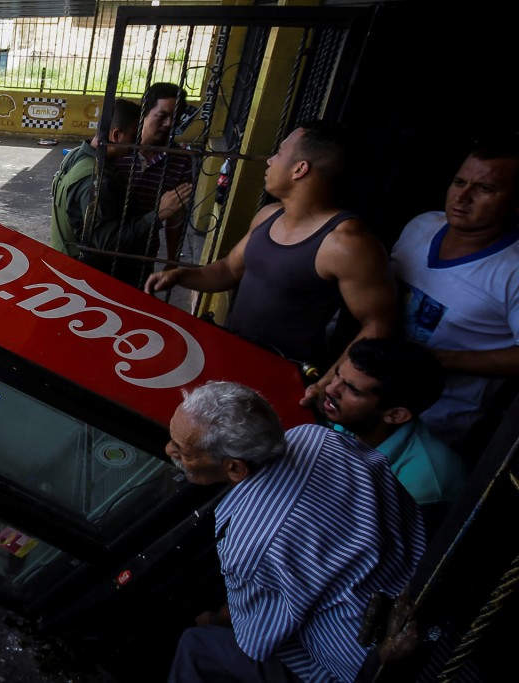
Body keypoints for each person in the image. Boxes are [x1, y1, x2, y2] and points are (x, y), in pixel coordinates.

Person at [165, 381, 425, 683]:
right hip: (426, 591)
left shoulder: (246, 547)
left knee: (196, 643)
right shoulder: (320, 437)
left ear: (235, 469)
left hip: (374, 670)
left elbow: (257, 641)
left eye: (182, 451)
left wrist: (210, 618)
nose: (169, 450)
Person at [145, 121, 397, 407]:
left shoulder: (347, 243)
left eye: (279, 153)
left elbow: (377, 325)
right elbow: (228, 269)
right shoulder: (269, 215)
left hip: (281, 378)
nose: (270, 160)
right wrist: (180, 276)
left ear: (300, 169)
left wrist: (328, 382)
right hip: (229, 358)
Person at [389, 135, 519, 450]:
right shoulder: (422, 225)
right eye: (459, 182)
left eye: (485, 188)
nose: (463, 197)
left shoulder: (513, 270)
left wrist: (442, 359)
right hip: (364, 405)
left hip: (432, 431)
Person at [320, 337, 469, 522]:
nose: (331, 389)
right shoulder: (353, 419)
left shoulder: (419, 488)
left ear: (396, 415)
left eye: (352, 390)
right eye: (337, 375)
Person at [50, 98, 191, 287]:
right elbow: (107, 244)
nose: (137, 143)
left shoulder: (77, 155)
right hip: (84, 278)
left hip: (67, 266)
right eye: (133, 136)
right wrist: (158, 214)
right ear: (116, 135)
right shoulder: (98, 180)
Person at [113, 82, 195, 287]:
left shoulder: (180, 159)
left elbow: (177, 212)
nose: (168, 123)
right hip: (106, 244)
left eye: (174, 118)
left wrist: (171, 261)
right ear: (145, 114)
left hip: (143, 253)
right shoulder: (119, 146)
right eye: (162, 116)